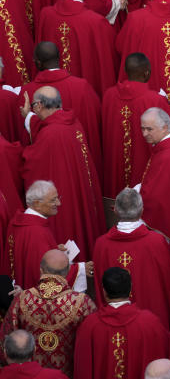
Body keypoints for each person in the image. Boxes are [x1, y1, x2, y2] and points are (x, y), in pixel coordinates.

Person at [21, 86, 103, 258]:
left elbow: (32, 164)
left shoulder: (51, 134)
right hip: (79, 191)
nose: (34, 109)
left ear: (40, 105)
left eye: (35, 105)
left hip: (64, 198)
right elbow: (45, 127)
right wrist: (28, 117)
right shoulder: (72, 122)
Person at [0, 250, 96, 375]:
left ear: (41, 270)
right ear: (67, 273)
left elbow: (5, 341)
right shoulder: (83, 303)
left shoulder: (22, 299)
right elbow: (94, 345)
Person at [92, 188, 170, 327]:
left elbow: (99, 288)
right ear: (142, 211)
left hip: (112, 323)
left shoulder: (102, 245)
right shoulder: (157, 242)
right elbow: (168, 283)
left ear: (115, 211)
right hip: (151, 323)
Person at [73, 267, 169, 379]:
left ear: (103, 291)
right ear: (131, 288)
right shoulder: (151, 323)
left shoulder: (89, 325)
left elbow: (82, 369)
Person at [100, 55, 170, 197]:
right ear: (147, 73)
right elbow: (169, 134)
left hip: (115, 169)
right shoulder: (156, 99)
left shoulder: (108, 96)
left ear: (126, 70)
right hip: (144, 167)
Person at [36, 0, 116, 94]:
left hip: (49, 90)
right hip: (82, 91)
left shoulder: (46, 14)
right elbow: (106, 60)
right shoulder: (97, 22)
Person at [6, 182, 81, 292]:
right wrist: (81, 269)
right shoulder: (36, 232)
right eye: (53, 200)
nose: (59, 203)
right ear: (36, 204)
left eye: (58, 198)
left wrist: (53, 248)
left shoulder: (20, 221)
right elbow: (47, 273)